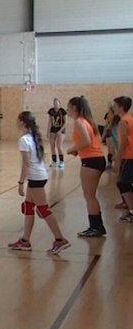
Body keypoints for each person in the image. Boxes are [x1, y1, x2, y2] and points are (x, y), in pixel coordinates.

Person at [8, 112, 70, 254]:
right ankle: (25, 241)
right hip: (38, 176)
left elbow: (26, 164)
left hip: (36, 177)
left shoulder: (24, 139)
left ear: (22, 122)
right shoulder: (33, 137)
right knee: (28, 207)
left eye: (17, 120)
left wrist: (20, 182)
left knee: (43, 209)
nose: (16, 122)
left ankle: (60, 239)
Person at [66, 96, 106, 237]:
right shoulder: (87, 121)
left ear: (74, 108)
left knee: (89, 196)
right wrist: (78, 151)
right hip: (96, 159)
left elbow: (87, 141)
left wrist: (72, 149)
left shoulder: (79, 121)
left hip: (91, 161)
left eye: (68, 106)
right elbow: (93, 142)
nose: (67, 109)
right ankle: (97, 226)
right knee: (90, 195)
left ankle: (96, 227)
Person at [113, 96, 133, 223]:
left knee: (122, 183)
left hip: (128, 157)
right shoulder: (130, 118)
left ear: (121, 107)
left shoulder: (123, 121)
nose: (113, 108)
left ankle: (131, 211)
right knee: (125, 183)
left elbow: (123, 142)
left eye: (115, 106)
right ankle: (129, 210)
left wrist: (118, 159)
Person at [47, 98, 67, 168]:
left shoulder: (62, 111)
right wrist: (48, 131)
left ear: (59, 104)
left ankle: (61, 162)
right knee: (52, 146)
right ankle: (54, 161)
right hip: (53, 129)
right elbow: (50, 122)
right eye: (54, 103)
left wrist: (60, 131)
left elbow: (66, 122)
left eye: (57, 103)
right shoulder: (51, 111)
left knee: (59, 146)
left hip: (61, 129)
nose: (56, 104)